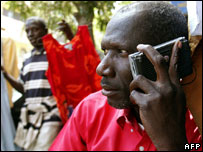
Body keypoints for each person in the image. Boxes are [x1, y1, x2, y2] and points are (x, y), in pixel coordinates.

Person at [49, 2, 202, 151]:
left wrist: (173, 144)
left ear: (168, 55)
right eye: (105, 52)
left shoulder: (197, 122)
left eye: (122, 52)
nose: (101, 68)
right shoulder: (90, 111)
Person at [1, 17, 72, 150]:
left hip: (51, 113)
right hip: (29, 115)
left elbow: (76, 55)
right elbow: (24, 89)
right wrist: (6, 74)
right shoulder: (27, 58)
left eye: (35, 29)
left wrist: (70, 36)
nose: (30, 34)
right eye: (27, 31)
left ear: (45, 31)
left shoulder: (56, 52)